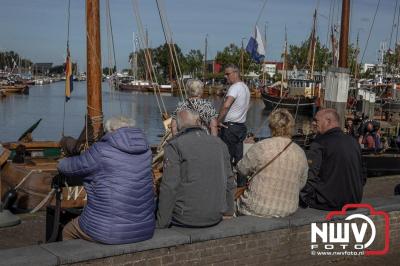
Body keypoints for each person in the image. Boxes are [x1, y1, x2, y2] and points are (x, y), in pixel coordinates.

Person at [60, 117, 155, 244]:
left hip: (110, 232)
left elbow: (71, 167)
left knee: (67, 231)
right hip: (145, 229)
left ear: (111, 131)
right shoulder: (146, 150)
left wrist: (61, 163)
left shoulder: (101, 150)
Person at [157, 109, 235, 228]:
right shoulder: (220, 144)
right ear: (199, 122)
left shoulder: (174, 145)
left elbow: (169, 187)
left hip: (185, 217)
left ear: (178, 126)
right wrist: (229, 212)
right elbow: (229, 179)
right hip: (215, 216)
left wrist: (161, 224)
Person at [236, 109, 308, 218]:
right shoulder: (300, 152)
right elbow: (301, 183)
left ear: (271, 126)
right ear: (291, 127)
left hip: (257, 208)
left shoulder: (261, 147)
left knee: (232, 204)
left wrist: (247, 148)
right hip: (288, 208)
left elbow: (241, 169)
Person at [300, 109, 366, 211]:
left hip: (326, 203)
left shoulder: (319, 143)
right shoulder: (354, 142)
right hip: (353, 202)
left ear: (328, 121)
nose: (314, 123)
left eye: (316, 120)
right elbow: (363, 176)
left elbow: (310, 176)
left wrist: (303, 200)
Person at [217, 64, 250, 168]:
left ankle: (227, 183)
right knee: (239, 158)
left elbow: (226, 106)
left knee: (226, 158)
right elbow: (248, 106)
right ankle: (241, 182)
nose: (226, 76)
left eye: (228, 74)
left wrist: (218, 121)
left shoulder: (234, 87)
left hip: (230, 128)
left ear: (235, 73)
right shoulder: (245, 87)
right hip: (241, 127)